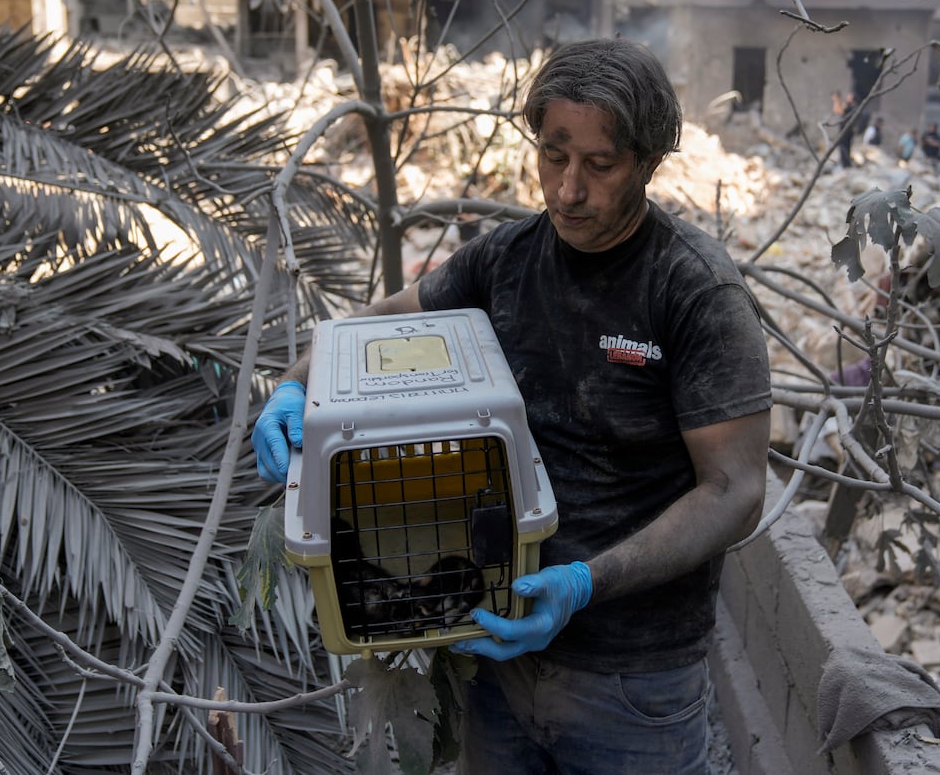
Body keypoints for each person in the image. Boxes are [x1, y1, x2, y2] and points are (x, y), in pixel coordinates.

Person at [252, 39, 773, 775]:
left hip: (634, 683)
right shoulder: (508, 258)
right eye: (553, 154)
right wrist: (295, 382)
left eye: (599, 164)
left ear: (649, 163)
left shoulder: (694, 293)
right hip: (498, 655)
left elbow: (736, 489)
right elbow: (385, 319)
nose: (565, 189)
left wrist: (586, 581)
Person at [830, 90, 857, 169]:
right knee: (845, 147)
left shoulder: (851, 107)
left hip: (846, 131)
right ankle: (845, 164)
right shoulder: (850, 106)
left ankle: (846, 164)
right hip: (846, 131)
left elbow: (840, 111)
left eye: (849, 96)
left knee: (844, 147)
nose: (847, 97)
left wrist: (837, 101)